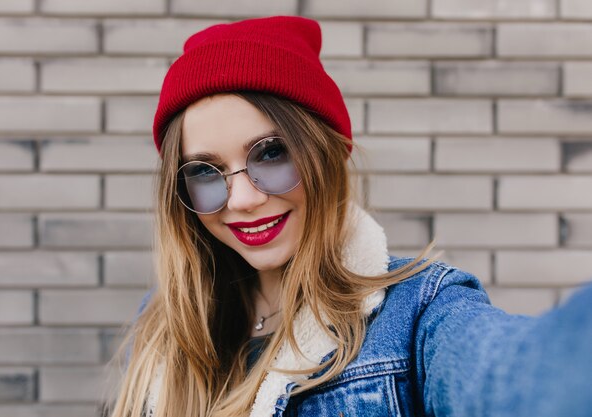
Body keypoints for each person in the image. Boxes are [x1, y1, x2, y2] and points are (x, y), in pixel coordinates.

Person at [110, 15, 592, 417]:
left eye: (271, 153)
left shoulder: (418, 315)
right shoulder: (165, 323)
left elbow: (521, 375)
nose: (241, 199)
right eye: (206, 171)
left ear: (326, 154)